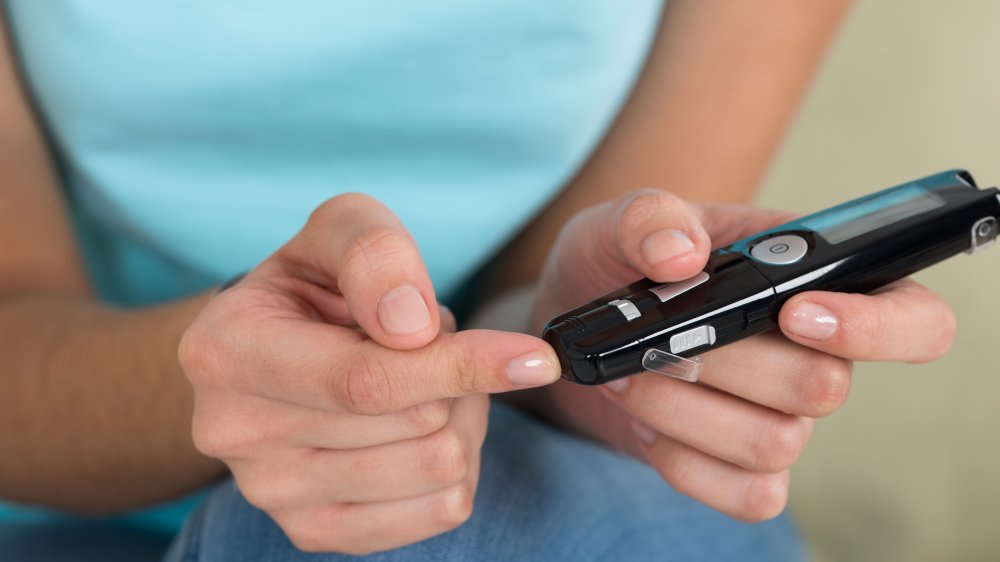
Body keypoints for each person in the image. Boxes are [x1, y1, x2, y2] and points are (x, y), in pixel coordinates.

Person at [0, 1, 957, 560]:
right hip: (79, 470)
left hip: (528, 475)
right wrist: (233, 384)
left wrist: (564, 342)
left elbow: (548, 331)